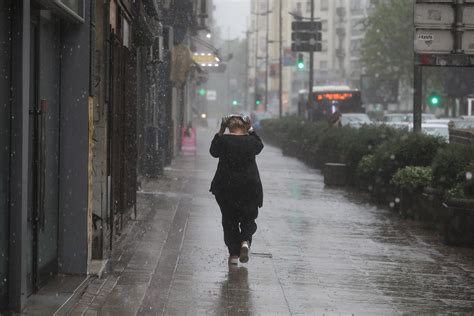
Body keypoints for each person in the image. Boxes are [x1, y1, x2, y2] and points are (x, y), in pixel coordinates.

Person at [210, 115, 264, 265]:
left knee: (229, 220)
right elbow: (260, 146)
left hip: (226, 187)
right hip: (249, 187)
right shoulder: (251, 142)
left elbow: (213, 151)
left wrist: (221, 129)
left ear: (229, 127)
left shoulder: (223, 141)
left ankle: (233, 254)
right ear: (245, 127)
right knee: (248, 217)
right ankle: (245, 241)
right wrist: (251, 128)